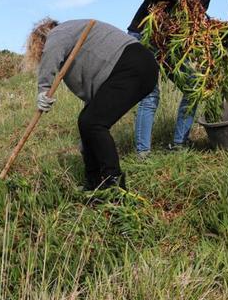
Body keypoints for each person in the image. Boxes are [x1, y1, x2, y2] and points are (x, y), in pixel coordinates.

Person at [26, 18, 158, 190]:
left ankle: (114, 184)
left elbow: (52, 51)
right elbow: (95, 102)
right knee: (88, 122)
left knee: (93, 123)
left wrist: (44, 89)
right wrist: (87, 141)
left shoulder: (58, 33)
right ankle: (94, 183)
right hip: (138, 68)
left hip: (133, 63)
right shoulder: (78, 39)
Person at [126, 0, 228, 157]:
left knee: (194, 87)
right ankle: (143, 154)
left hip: (168, 46)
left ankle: (179, 145)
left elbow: (191, 26)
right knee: (150, 95)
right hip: (144, 38)